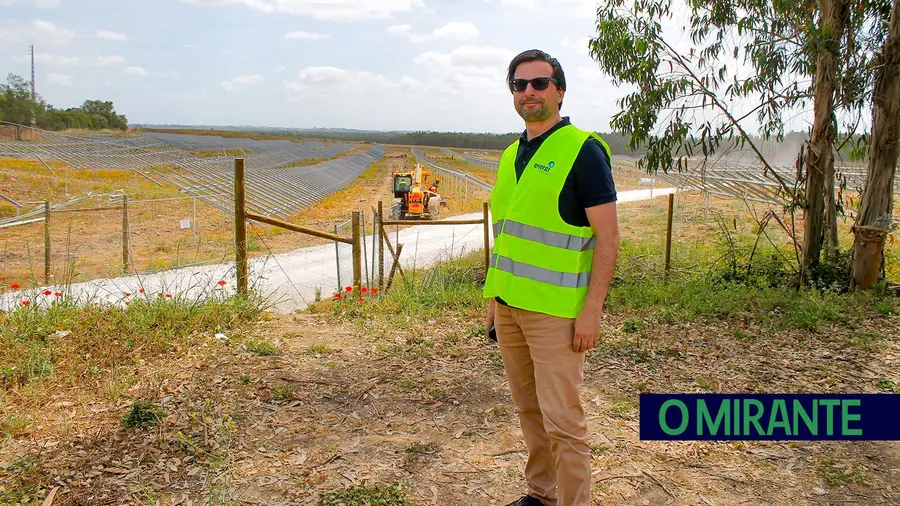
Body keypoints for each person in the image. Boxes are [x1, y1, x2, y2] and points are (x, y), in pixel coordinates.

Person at [483, 49, 620, 506]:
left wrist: (592, 311)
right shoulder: (509, 156)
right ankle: (539, 495)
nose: (529, 92)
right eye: (519, 85)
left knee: (563, 421)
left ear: (559, 91)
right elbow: (507, 238)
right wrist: (493, 305)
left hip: (556, 315)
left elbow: (608, 239)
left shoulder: (583, 150)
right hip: (510, 309)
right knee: (529, 410)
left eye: (539, 83)